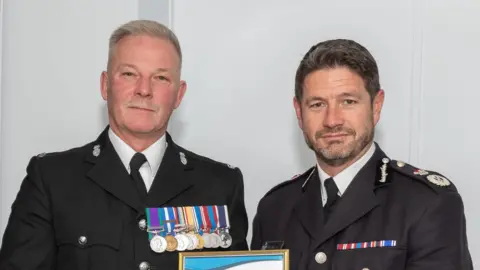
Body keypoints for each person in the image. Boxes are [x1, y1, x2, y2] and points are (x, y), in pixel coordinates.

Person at [0, 20, 248, 270]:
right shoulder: (52, 179)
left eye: (161, 78)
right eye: (129, 74)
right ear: (105, 85)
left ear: (179, 95)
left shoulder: (221, 185)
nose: (144, 90)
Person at [250, 39, 472, 269]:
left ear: (376, 106)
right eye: (317, 104)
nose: (332, 120)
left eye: (348, 101)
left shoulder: (426, 203)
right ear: (299, 111)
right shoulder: (274, 208)